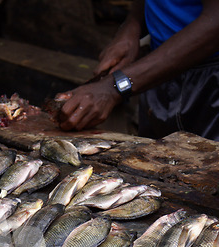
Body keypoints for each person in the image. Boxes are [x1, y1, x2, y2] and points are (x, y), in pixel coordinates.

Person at [58, 0, 219, 141]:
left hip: (210, 82)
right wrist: (132, 25)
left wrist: (116, 86)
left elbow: (215, 24)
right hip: (158, 64)